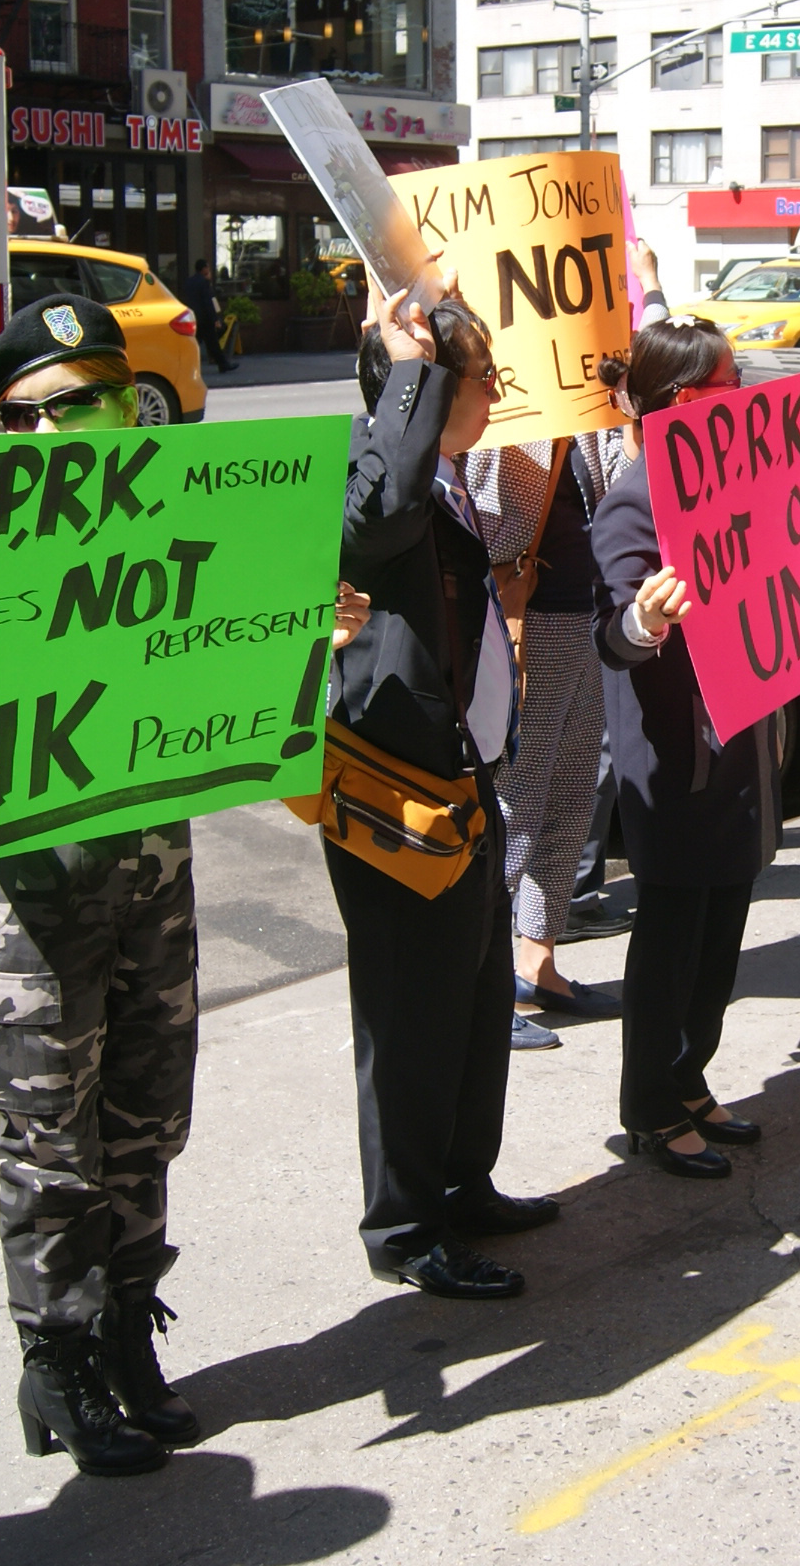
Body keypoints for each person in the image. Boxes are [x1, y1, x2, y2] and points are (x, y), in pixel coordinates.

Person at [0, 298, 274, 1474]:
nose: (51, 429)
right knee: (50, 1145)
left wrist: (304, 639)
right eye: (25, 413)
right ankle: (62, 1360)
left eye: (76, 402)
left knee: (146, 1119)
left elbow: (237, 678)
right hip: (36, 917)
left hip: (152, 892)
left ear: (123, 404)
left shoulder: (187, 523)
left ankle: (130, 1330)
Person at [330, 273, 560, 1297]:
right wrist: (412, 370)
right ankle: (407, 1223)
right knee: (409, 1015)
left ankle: (465, 1180)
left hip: (464, 781)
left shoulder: (453, 477)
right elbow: (377, 521)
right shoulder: (377, 469)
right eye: (479, 379)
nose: (497, 393)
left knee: (470, 996)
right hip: (394, 791)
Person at [591, 322, 785, 1164]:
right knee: (672, 941)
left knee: (720, 937)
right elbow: (612, 633)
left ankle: (691, 1076)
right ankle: (650, 1107)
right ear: (680, 403)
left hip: (743, 736)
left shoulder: (744, 478)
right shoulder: (634, 497)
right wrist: (647, 619)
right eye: (727, 385)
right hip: (679, 753)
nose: (743, 397)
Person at [462, 432, 633, 1051]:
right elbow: (482, 520)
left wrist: (626, 424)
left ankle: (539, 961)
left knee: (570, 798)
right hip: (526, 624)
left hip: (583, 619)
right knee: (519, 807)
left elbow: (621, 491)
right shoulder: (510, 417)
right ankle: (483, 988)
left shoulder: (588, 417)